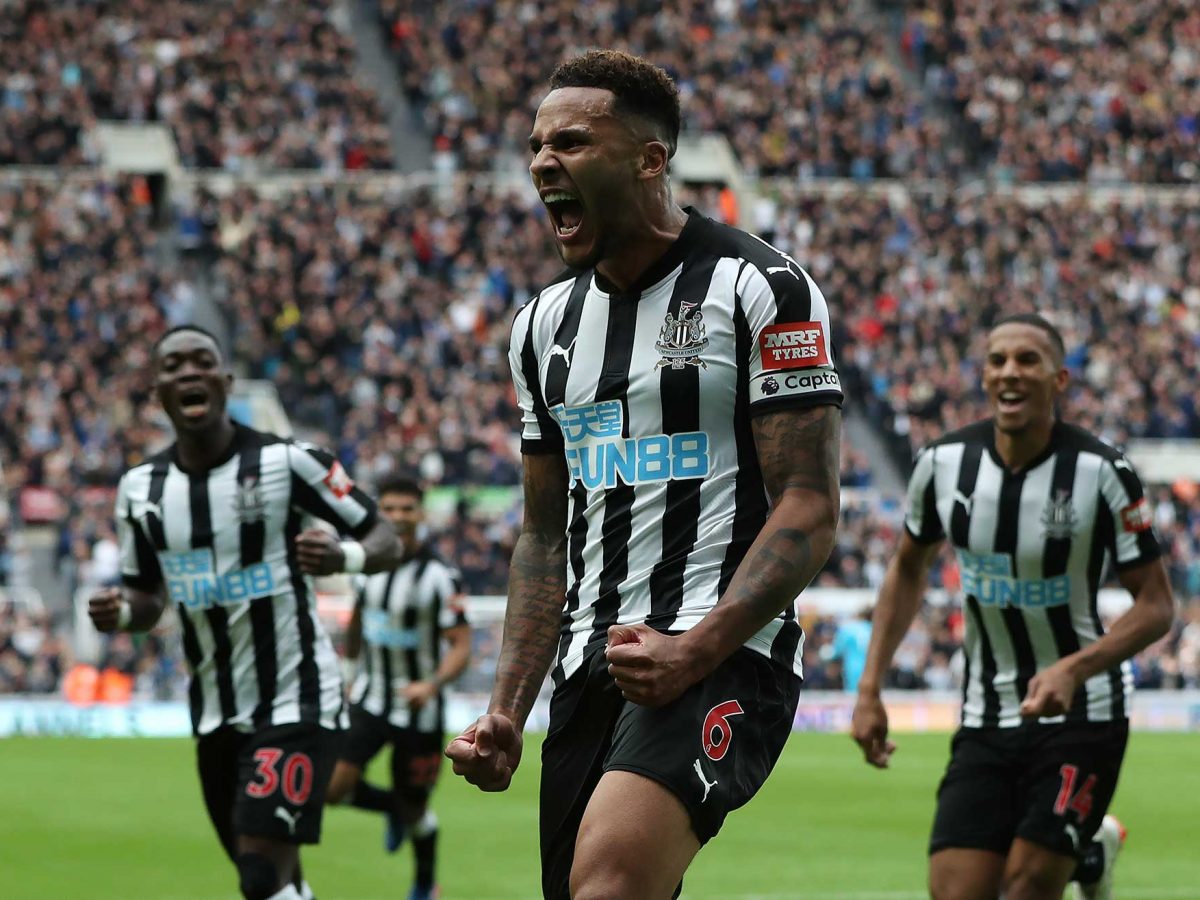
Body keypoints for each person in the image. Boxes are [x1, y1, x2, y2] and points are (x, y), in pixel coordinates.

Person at [445, 50, 843, 900]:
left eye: (573, 143)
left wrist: (693, 652)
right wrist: (509, 708)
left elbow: (808, 508)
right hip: (590, 670)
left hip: (722, 651)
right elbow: (544, 537)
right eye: (537, 145)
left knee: (610, 890)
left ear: (650, 160)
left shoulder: (761, 287)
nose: (544, 163)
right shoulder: (540, 326)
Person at [851, 313, 1176, 900]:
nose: (1010, 372)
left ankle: (1072, 851)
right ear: (983, 377)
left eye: (1028, 360)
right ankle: (1088, 849)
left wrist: (1074, 668)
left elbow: (1156, 605)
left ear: (1059, 381)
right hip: (986, 711)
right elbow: (906, 568)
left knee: (1025, 888)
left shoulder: (1102, 473)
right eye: (998, 360)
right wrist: (869, 687)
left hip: (1083, 711)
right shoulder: (942, 465)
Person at [88, 325, 404, 900]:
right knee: (271, 879)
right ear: (158, 390)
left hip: (295, 696)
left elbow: (384, 537)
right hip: (214, 712)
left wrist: (343, 553)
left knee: (261, 873)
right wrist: (121, 612)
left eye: (202, 361)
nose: (188, 371)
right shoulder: (140, 489)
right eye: (173, 365)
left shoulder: (290, 461)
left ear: (225, 381)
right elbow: (145, 595)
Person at [325, 477, 471, 900]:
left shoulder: (441, 576)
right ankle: (392, 809)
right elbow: (355, 621)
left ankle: (426, 883)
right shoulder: (367, 565)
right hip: (371, 698)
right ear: (379, 512)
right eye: (389, 508)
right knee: (332, 790)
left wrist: (433, 683)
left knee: (416, 810)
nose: (399, 516)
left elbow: (461, 645)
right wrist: (350, 674)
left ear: (421, 514)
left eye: (407, 508)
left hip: (419, 709)